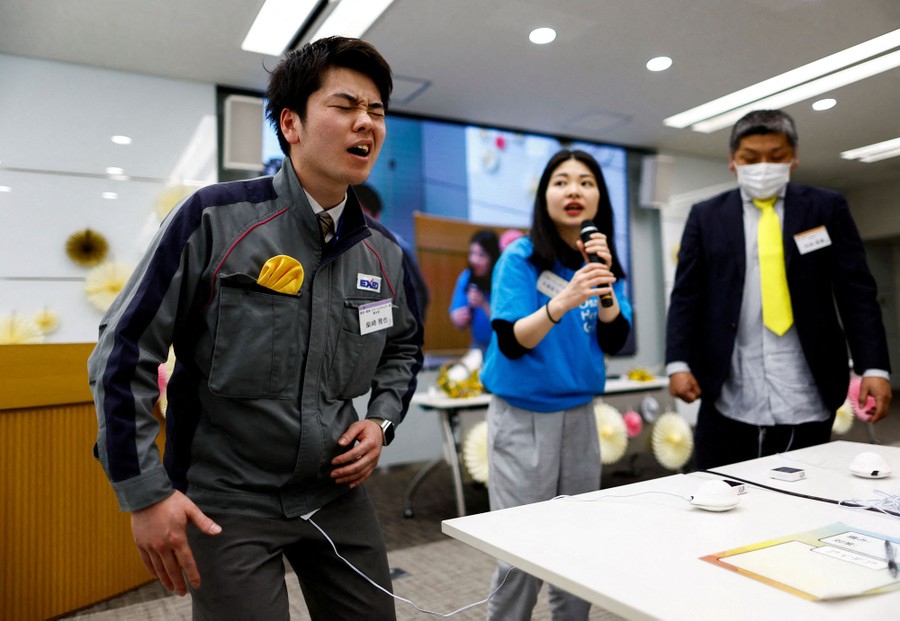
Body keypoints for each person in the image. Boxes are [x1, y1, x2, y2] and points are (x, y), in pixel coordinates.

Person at [88, 37, 423, 621]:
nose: (365, 123)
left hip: (334, 492)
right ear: (291, 123)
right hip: (227, 497)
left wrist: (381, 420)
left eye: (376, 110)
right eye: (345, 107)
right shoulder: (214, 220)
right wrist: (145, 493)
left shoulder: (386, 254)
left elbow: (403, 348)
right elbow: (123, 352)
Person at [666, 109, 892, 470]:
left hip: (808, 384)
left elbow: (856, 291)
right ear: (732, 161)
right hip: (729, 386)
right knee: (723, 490)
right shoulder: (706, 216)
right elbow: (686, 295)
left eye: (776, 156)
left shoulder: (825, 207)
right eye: (751, 159)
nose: (763, 166)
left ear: (794, 158)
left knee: (806, 488)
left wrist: (875, 369)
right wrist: (678, 362)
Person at [479, 149, 632, 620]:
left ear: (598, 198)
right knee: (522, 551)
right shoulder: (519, 258)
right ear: (545, 195)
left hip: (579, 417)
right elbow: (510, 342)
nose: (574, 191)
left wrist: (603, 284)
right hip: (522, 417)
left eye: (586, 182)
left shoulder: (601, 260)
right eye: (561, 182)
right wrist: (564, 300)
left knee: (578, 548)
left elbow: (616, 335)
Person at [355, 183, 431, 318]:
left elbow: (416, 298)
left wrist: (362, 321)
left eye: (358, 212)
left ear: (376, 216)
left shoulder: (394, 247)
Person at [448, 229, 500, 352]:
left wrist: (483, 304)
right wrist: (457, 317)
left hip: (502, 345)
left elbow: (504, 323)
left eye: (481, 255)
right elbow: (456, 313)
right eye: (472, 253)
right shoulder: (466, 277)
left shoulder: (501, 279)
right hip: (478, 344)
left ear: (492, 258)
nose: (474, 260)